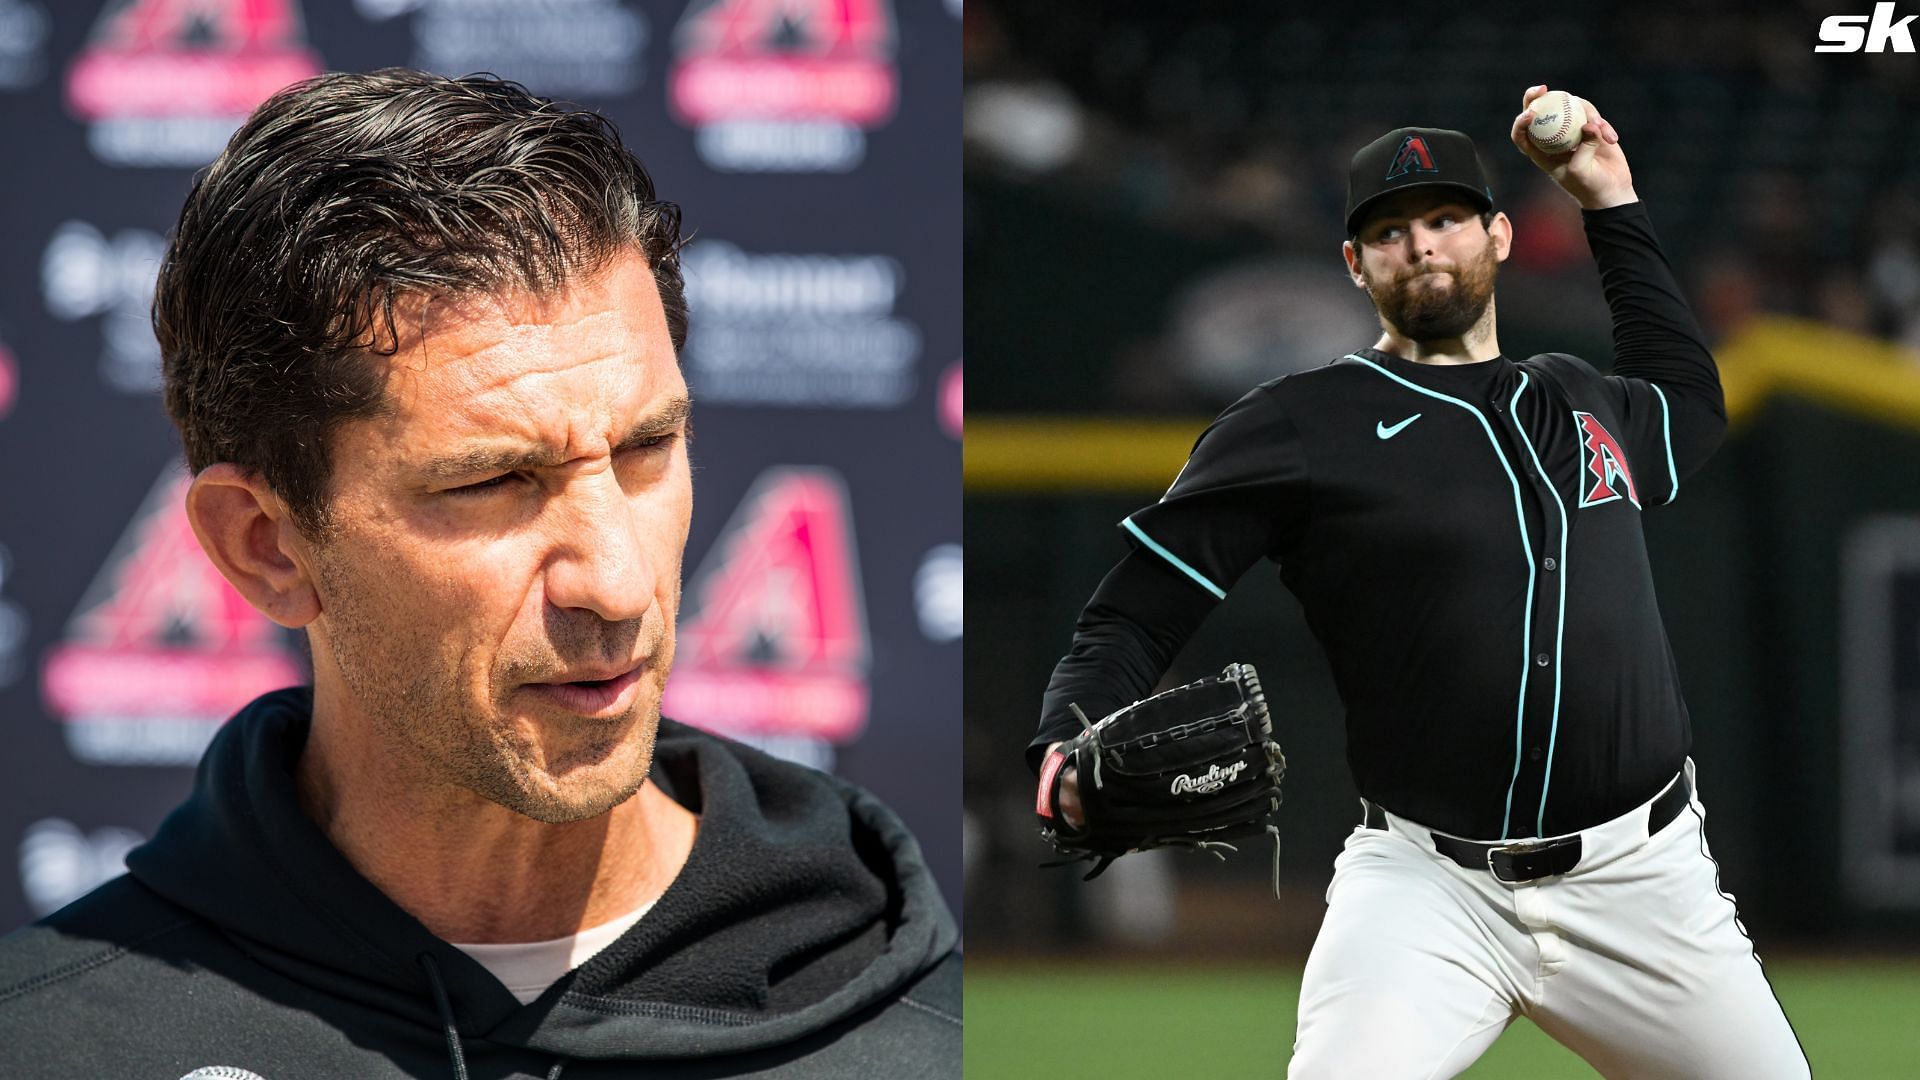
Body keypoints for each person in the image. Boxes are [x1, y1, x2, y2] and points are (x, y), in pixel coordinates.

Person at [0, 69, 959, 1078]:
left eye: (646, 450)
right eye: (496, 481)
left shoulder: (922, 1039)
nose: (618, 582)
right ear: (266, 546)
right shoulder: (52, 1046)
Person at [1029, 86, 1809, 1078]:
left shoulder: (1581, 396)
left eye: (1444, 219)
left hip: (1644, 879)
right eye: (1390, 232)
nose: (1422, 245)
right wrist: (1061, 742)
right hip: (1429, 889)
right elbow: (1134, 612)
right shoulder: (1297, 425)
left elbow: (1691, 399)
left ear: (1498, 236)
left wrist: (1609, 199)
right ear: (1356, 265)